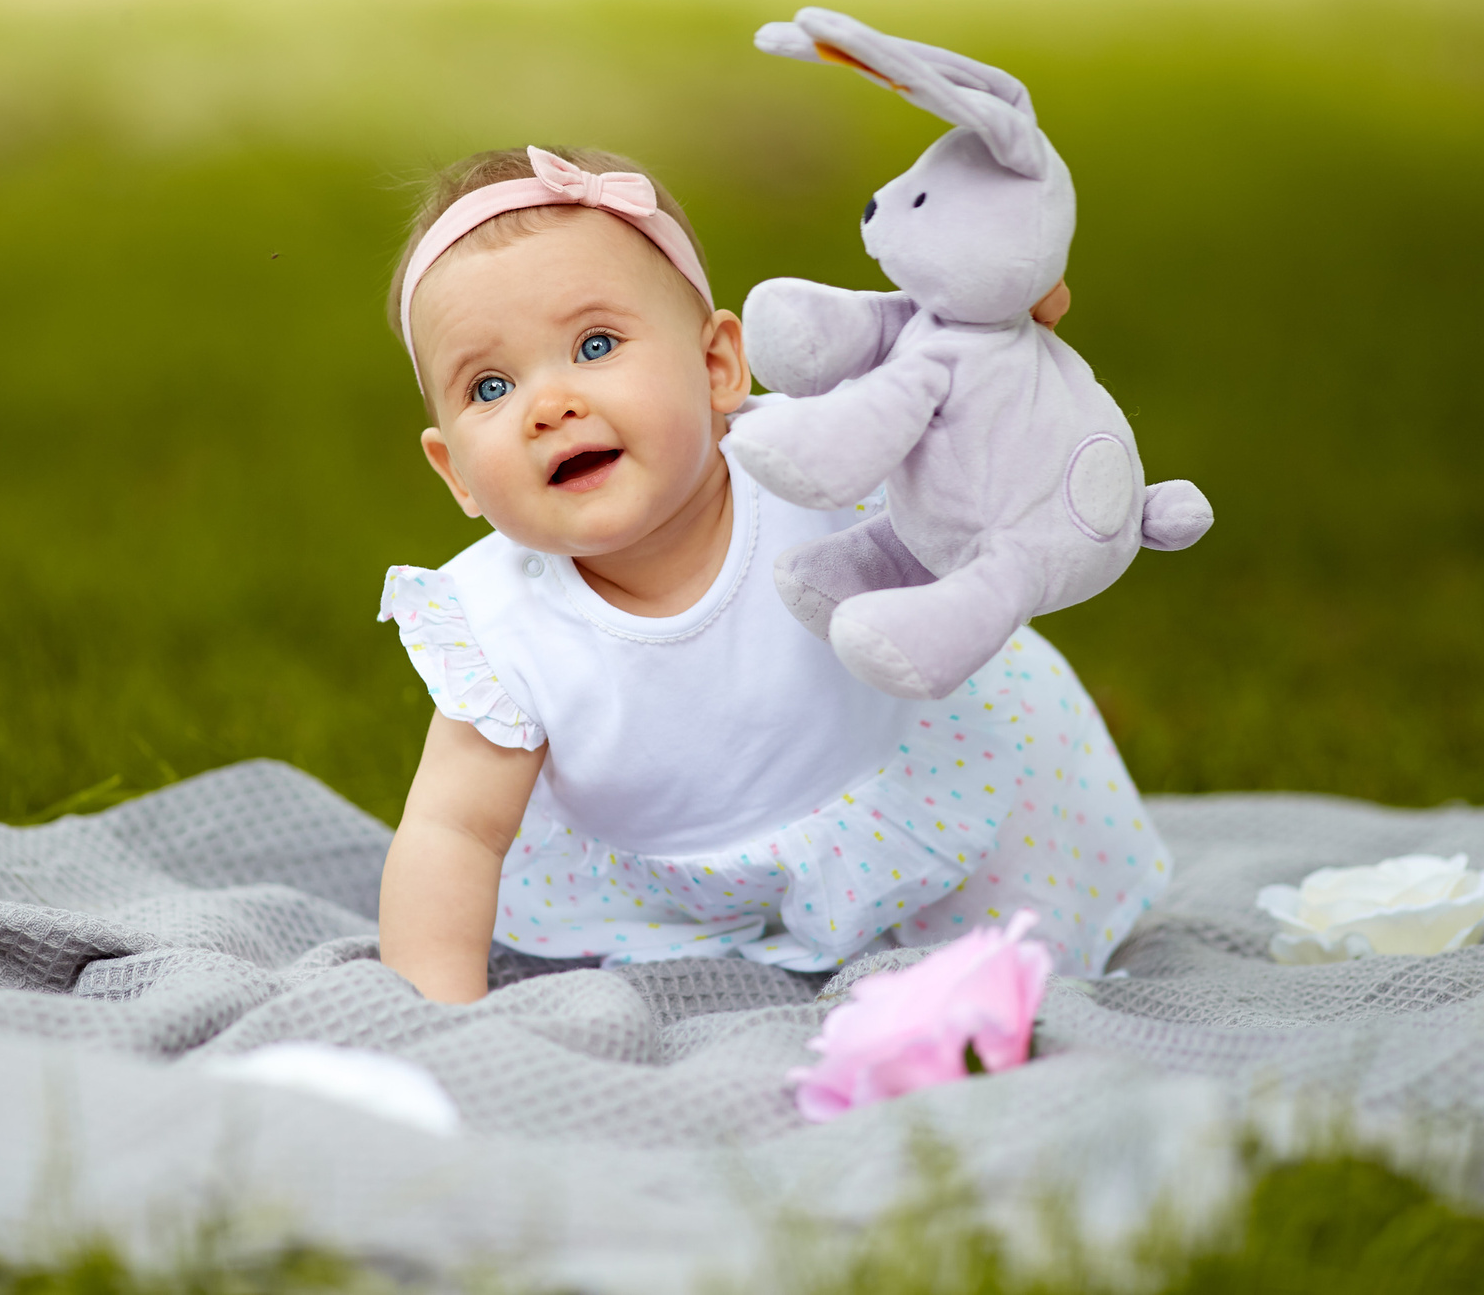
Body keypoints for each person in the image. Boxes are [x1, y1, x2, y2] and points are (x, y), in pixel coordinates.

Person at [375, 144, 1170, 1002]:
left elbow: (979, 419)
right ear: (453, 470)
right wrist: (434, 1014)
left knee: (1008, 971)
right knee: (687, 993)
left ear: (719, 365)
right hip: (673, 894)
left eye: (595, 343)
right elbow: (454, 830)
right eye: (489, 387)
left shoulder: (817, 459)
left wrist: (1017, 335)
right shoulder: (501, 625)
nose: (548, 405)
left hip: (918, 789)